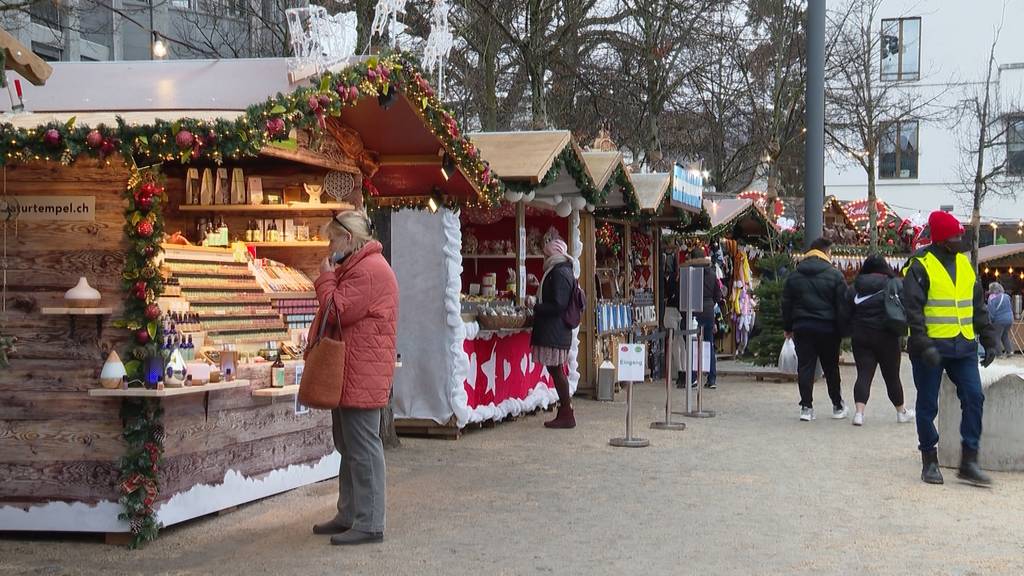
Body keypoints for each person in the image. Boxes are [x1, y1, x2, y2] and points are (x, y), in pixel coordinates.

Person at [310, 211, 399, 545]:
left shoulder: (369, 271)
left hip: (361, 371)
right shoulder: (360, 267)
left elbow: (337, 310)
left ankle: (370, 521)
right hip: (352, 370)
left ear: (348, 239)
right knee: (348, 446)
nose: (329, 246)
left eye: (332, 239)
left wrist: (325, 278)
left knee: (362, 448)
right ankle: (349, 514)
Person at [903, 211, 997, 486]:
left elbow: (977, 306)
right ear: (943, 240)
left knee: (974, 398)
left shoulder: (965, 265)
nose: (960, 240)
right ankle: (929, 461)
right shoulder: (920, 264)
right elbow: (913, 311)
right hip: (930, 348)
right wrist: (922, 344)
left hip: (963, 346)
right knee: (927, 404)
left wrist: (989, 337)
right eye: (955, 236)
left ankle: (969, 461)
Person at [782, 237, 849, 422]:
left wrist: (788, 327)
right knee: (831, 368)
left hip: (802, 327)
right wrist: (843, 331)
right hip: (828, 328)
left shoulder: (794, 275)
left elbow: (786, 303)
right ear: (827, 252)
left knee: (805, 366)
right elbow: (842, 306)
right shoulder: (835, 275)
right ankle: (837, 405)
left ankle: (806, 407)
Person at [848, 254, 915, 426]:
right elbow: (907, 306)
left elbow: (845, 311)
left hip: (861, 336)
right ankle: (901, 412)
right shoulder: (894, 284)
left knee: (863, 374)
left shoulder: (855, 287)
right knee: (892, 376)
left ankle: (859, 413)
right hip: (888, 336)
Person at [531, 236, 577, 429]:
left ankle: (566, 412)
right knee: (556, 369)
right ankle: (565, 411)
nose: (543, 257)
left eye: (545, 253)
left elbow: (559, 304)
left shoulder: (558, 273)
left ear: (552, 254)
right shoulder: (562, 271)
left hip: (555, 330)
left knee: (556, 370)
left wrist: (537, 306)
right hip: (557, 331)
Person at [689, 248, 725, 389]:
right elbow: (718, 295)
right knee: (709, 344)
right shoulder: (712, 274)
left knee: (693, 344)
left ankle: (693, 377)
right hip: (709, 311)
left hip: (694, 310)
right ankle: (711, 378)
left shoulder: (691, 274)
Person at [662, 253, 686, 388]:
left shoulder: (676, 278)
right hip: (676, 310)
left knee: (679, 345)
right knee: (678, 345)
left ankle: (682, 372)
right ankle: (680, 371)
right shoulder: (673, 278)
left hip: (677, 311)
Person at [987, 282, 1014, 358]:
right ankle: (1010, 351)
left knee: (996, 336)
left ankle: (999, 354)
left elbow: (991, 312)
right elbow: (1010, 307)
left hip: (999, 320)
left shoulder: (991, 298)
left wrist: (990, 321)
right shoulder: (1006, 296)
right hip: (1010, 319)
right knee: (1005, 335)